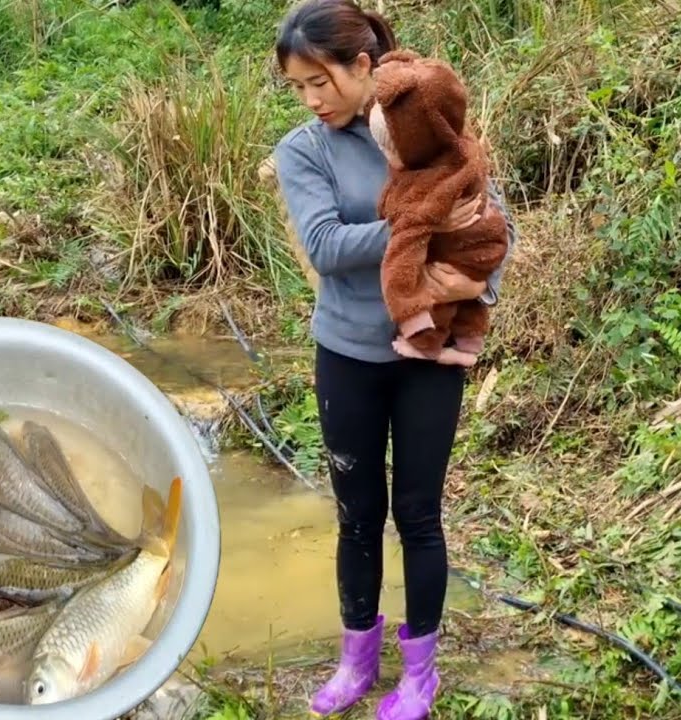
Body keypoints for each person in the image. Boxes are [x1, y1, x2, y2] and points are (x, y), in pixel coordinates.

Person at [270, 1, 516, 718]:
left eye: (321, 82)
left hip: (429, 357)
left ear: (363, 66)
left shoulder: (421, 123)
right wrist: (421, 225)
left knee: (417, 513)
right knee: (356, 514)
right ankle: (357, 659)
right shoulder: (304, 150)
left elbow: (496, 219)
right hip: (347, 355)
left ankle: (420, 673)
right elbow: (323, 246)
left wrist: (478, 283)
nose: (313, 100)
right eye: (298, 88)